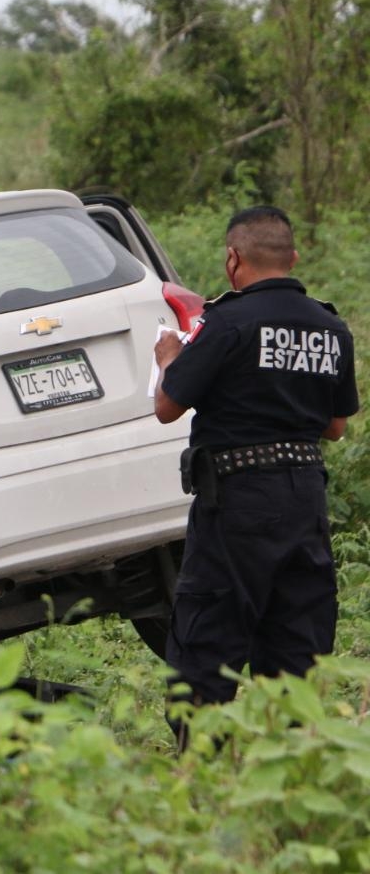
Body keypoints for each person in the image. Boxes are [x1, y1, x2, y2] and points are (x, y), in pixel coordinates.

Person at [153, 205, 359, 734]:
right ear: (293, 258)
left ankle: (201, 775)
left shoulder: (226, 323)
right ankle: (291, 769)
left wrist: (170, 357)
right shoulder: (331, 327)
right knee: (298, 639)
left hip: (236, 501)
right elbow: (335, 428)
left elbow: (167, 406)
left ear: (232, 259)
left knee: (207, 639)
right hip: (305, 497)